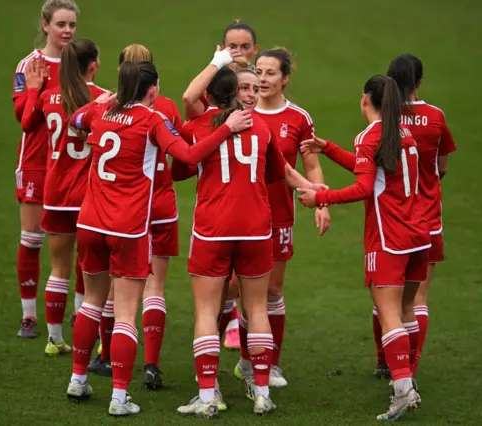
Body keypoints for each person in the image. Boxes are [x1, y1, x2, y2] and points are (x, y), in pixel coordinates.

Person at [65, 61, 253, 416]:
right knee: (124, 314)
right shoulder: (152, 120)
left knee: (91, 301)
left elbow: (76, 122)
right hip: (129, 228)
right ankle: (119, 399)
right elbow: (189, 155)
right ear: (152, 91)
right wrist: (226, 128)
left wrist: (100, 104)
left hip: (90, 222)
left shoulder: (99, 112)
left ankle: (78, 378)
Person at [173, 67, 327, 417]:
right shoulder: (263, 128)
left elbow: (176, 168)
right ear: (238, 93)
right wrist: (313, 190)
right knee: (257, 308)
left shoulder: (198, 126)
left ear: (210, 95)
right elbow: (282, 173)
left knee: (207, 310)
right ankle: (261, 392)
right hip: (257, 229)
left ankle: (208, 394)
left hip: (213, 229)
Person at [298, 75, 430, 421]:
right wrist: (328, 148)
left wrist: (319, 198)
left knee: (388, 314)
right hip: (419, 234)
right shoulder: (404, 133)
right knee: (406, 311)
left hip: (389, 238)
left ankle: (402, 391)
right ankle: (409, 378)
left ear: (364, 100)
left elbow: (363, 187)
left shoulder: (370, 136)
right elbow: (369, 168)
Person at [87, 44, 183, 390]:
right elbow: (184, 156)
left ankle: (106, 354)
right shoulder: (168, 108)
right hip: (162, 205)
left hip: (125, 209)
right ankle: (152, 363)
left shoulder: (108, 109)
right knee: (155, 287)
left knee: (115, 288)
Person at [234, 48, 330, 387]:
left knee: (272, 290)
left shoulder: (299, 118)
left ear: (285, 78)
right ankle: (241, 357)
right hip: (240, 217)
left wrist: (320, 199)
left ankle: (265, 364)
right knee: (236, 290)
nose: (262, 79)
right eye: (258, 71)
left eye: (271, 73)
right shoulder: (239, 114)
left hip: (279, 217)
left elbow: (308, 164)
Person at [20, 39, 108, 355]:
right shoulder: (102, 99)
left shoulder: (48, 97)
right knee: (90, 268)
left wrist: (32, 90)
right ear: (93, 65)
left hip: (55, 193)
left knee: (59, 268)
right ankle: (87, 334)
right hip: (88, 196)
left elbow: (27, 123)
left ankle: (54, 339)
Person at [380, 53, 457, 375]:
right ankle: (410, 366)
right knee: (418, 297)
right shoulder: (436, 117)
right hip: (428, 219)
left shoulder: (383, 118)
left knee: (385, 297)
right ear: (419, 82)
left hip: (391, 221)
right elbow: (442, 167)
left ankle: (385, 363)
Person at [12, 0, 79, 339]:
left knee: (78, 239)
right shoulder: (29, 65)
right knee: (32, 238)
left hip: (71, 165)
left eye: (72, 25)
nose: (67, 31)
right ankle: (29, 316)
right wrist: (36, 90)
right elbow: (22, 118)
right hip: (37, 162)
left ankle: (81, 312)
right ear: (45, 25)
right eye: (61, 24)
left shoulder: (78, 62)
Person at [182, 20, 258, 120]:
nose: (239, 52)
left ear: (255, 49)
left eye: (245, 47)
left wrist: (247, 69)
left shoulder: (265, 83)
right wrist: (217, 62)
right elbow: (189, 102)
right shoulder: (212, 83)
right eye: (232, 46)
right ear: (223, 49)